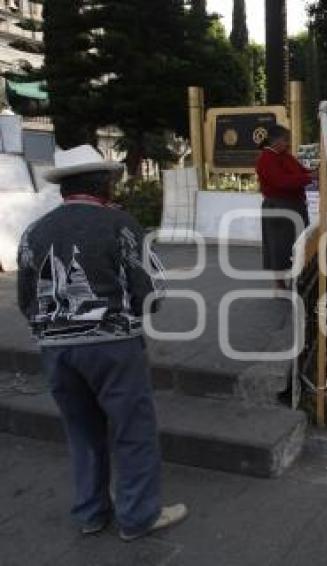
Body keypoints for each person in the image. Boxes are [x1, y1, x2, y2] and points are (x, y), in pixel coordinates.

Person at [16, 145, 187, 541]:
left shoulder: (35, 230)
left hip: (56, 350)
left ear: (64, 189)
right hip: (113, 346)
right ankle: (138, 516)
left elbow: (27, 299)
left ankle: (91, 513)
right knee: (132, 430)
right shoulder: (121, 224)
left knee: (81, 431)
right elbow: (151, 292)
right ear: (104, 186)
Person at [255, 124, 314, 290]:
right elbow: (281, 181)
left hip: (295, 205)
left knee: (298, 243)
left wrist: (313, 172)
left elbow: (302, 171)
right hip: (279, 207)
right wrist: (308, 178)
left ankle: (296, 279)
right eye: (286, 140)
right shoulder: (266, 158)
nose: (288, 144)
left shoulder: (285, 156)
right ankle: (280, 284)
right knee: (279, 246)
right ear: (276, 141)